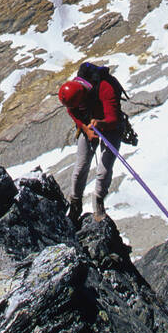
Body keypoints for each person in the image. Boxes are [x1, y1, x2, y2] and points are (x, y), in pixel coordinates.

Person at [57, 61, 123, 225]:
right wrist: (86, 129)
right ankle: (75, 203)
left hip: (109, 124)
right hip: (89, 123)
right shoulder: (73, 92)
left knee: (104, 168)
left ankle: (98, 201)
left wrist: (100, 125)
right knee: (80, 166)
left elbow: (113, 120)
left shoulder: (105, 89)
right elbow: (72, 112)